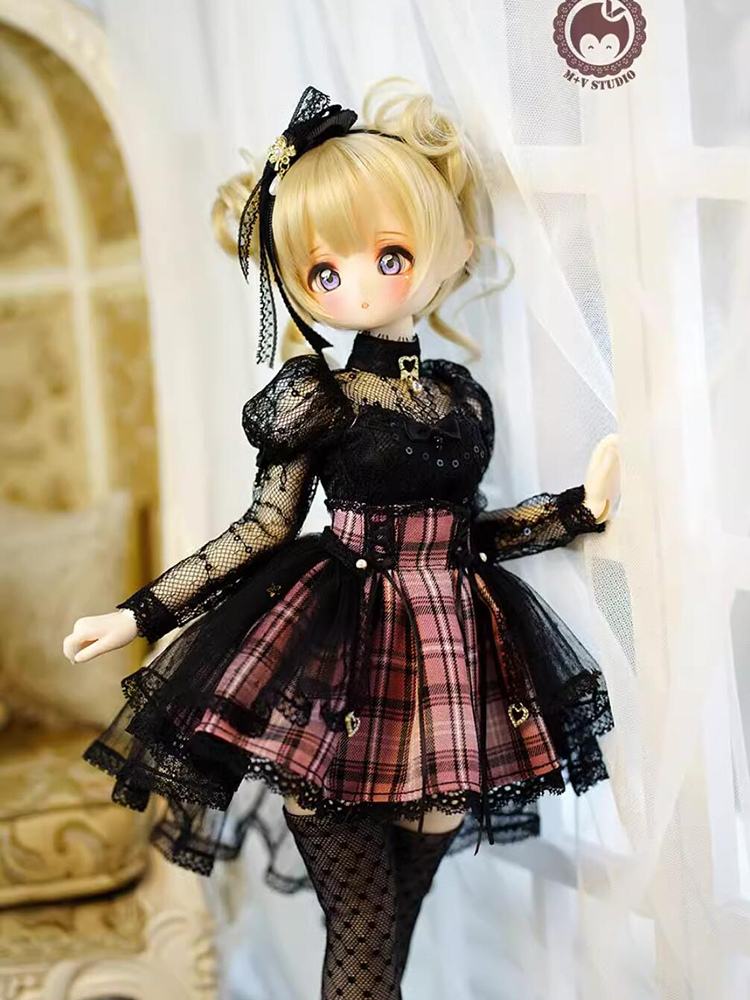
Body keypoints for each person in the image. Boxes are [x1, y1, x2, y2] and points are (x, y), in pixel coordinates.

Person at [63, 79, 619, 999]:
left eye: (388, 255)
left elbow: (469, 531)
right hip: (339, 670)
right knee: (361, 932)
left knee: (391, 933)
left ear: (449, 248)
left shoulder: (460, 396)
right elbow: (263, 527)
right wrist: (139, 614)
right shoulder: (316, 396)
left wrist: (572, 510)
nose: (355, 284)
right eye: (325, 273)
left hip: (453, 674)